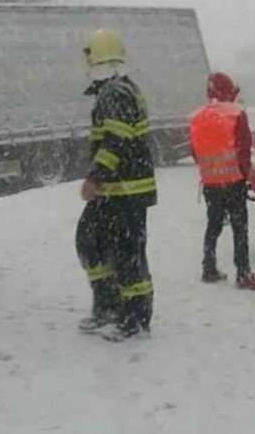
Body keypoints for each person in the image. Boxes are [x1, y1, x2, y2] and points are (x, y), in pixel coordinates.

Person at [75, 28, 156, 341]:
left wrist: (95, 176)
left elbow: (116, 141)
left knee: (127, 255)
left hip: (125, 190)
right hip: (115, 190)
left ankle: (135, 320)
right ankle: (108, 306)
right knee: (89, 241)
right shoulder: (113, 90)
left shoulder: (116, 93)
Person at [189, 72, 255, 290]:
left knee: (213, 225)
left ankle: (209, 267)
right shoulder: (236, 114)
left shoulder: (198, 117)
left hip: (211, 183)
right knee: (239, 228)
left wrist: (211, 170)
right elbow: (244, 148)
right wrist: (246, 174)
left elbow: (195, 152)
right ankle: (243, 273)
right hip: (234, 181)